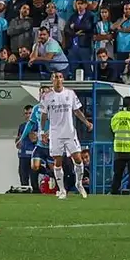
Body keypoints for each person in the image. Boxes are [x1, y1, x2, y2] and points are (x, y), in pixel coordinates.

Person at [39, 71, 91, 199]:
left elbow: (77, 111)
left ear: (63, 79)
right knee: (57, 161)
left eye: (60, 77)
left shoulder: (70, 94)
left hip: (69, 132)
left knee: (78, 158)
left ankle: (79, 183)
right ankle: (62, 190)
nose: (58, 79)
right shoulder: (47, 96)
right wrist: (41, 131)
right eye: (55, 77)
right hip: (55, 133)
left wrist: (86, 122)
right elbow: (43, 115)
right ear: (52, 80)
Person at [108, 97, 130, 196]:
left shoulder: (116, 116)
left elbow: (112, 131)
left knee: (117, 174)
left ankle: (114, 193)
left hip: (119, 149)